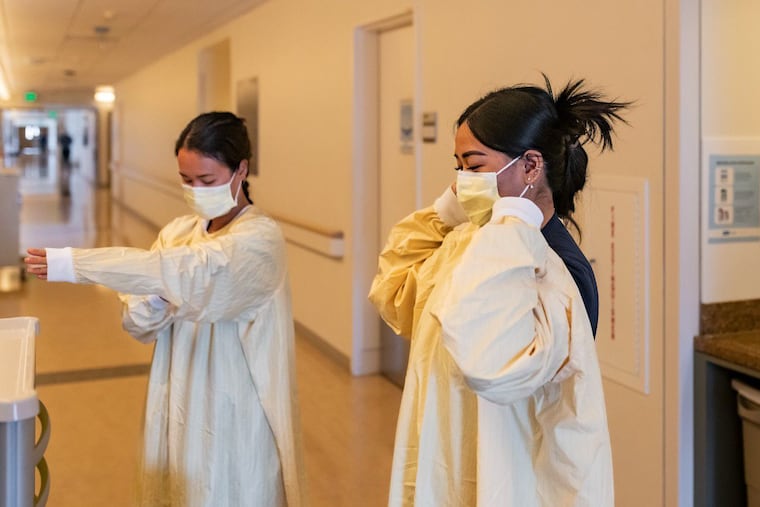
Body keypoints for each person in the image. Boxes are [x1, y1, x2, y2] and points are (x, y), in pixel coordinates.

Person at [369, 76, 628, 506]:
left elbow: (494, 365)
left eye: (474, 167)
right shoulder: (472, 240)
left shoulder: (559, 271)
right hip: (446, 461)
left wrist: (510, 226)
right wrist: (443, 214)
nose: (462, 182)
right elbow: (395, 294)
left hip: (511, 482)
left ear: (530, 166)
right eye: (457, 168)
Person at [25, 112, 305, 506]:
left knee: (229, 488)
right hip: (176, 396)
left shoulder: (260, 239)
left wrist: (81, 265)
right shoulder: (178, 233)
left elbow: (196, 272)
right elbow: (138, 322)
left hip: (233, 405)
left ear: (241, 169)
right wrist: (163, 290)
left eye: (206, 180)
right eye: (186, 180)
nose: (195, 191)